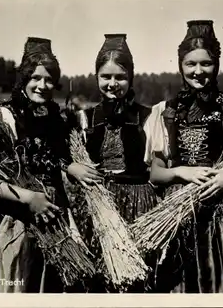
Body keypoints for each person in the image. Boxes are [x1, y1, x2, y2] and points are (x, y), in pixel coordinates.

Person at [143, 20, 223, 293]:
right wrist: (181, 172)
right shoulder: (166, 111)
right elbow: (155, 173)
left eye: (206, 63)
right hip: (179, 216)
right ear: (180, 66)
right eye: (190, 64)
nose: (198, 72)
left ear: (217, 64)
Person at [0, 37, 73, 293]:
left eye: (49, 79)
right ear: (23, 78)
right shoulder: (3, 118)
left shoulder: (55, 120)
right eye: (35, 78)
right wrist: (28, 198)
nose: (42, 85)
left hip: (52, 224)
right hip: (12, 222)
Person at [67, 34, 160, 292]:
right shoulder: (84, 119)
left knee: (134, 281)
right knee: (96, 279)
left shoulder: (148, 117)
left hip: (138, 208)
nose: (112, 83)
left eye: (120, 77)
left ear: (131, 77)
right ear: (96, 77)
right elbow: (68, 161)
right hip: (95, 208)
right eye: (105, 77)